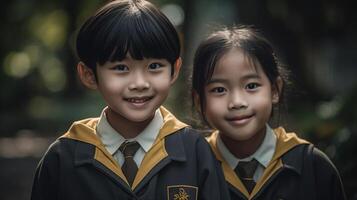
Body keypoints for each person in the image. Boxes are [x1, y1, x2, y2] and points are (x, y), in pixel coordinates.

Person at [31, 0, 229, 199]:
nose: (140, 83)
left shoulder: (195, 152)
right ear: (89, 75)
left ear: (174, 70)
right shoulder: (63, 158)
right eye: (120, 68)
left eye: (154, 66)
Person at [191, 26, 346, 200]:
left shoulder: (312, 167)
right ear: (199, 101)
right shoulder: (190, 171)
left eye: (251, 86)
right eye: (219, 89)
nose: (237, 102)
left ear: (274, 90)